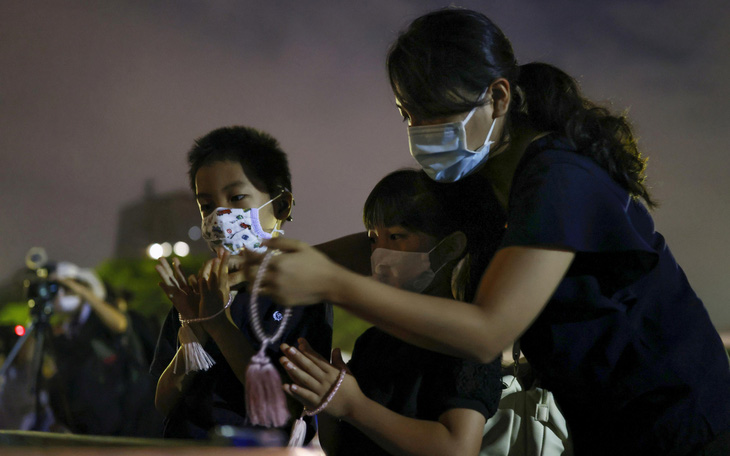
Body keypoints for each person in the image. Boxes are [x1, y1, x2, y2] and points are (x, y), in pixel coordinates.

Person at [250, 8, 730, 455]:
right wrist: (272, 263)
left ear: (498, 96)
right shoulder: (482, 183)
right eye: (407, 113)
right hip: (604, 417)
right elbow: (392, 243)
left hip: (677, 417)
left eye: (433, 110)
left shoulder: (559, 179)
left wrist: (331, 284)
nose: (418, 129)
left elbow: (488, 331)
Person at [279, 169, 503, 456]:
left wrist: (353, 405)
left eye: (397, 236)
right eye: (373, 239)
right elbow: (338, 446)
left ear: (450, 247)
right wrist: (328, 397)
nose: (380, 255)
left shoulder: (464, 341)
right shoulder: (374, 340)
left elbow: (457, 448)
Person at [149, 126, 332, 441]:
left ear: (281, 206)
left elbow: (285, 408)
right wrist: (194, 336)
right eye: (206, 205)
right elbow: (164, 402)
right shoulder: (198, 292)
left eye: (236, 198)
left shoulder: (301, 294)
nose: (220, 216)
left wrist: (218, 325)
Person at [47, 262, 161, 437]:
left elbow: (121, 325)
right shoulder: (65, 330)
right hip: (89, 426)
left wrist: (84, 292)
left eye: (68, 289)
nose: (63, 295)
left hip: (127, 421)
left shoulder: (103, 320)